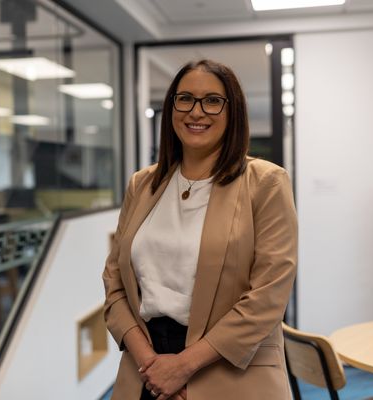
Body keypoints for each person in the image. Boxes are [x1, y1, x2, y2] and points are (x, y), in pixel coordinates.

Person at [103, 59, 297, 400]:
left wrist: (183, 366)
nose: (196, 111)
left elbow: (269, 295)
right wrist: (152, 365)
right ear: (171, 107)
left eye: (212, 101)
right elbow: (114, 282)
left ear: (232, 111)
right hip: (146, 367)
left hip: (228, 366)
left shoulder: (266, 182)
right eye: (185, 99)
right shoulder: (142, 184)